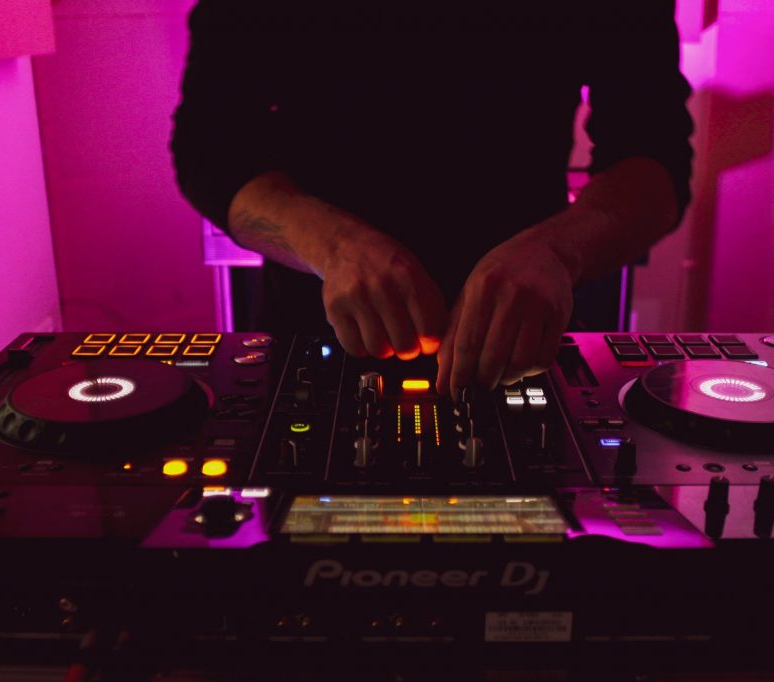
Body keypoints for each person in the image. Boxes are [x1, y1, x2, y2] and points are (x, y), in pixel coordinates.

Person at [171, 0, 693, 399]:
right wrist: (330, 244)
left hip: (521, 348)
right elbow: (211, 149)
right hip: (310, 342)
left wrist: (556, 251)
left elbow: (652, 154)